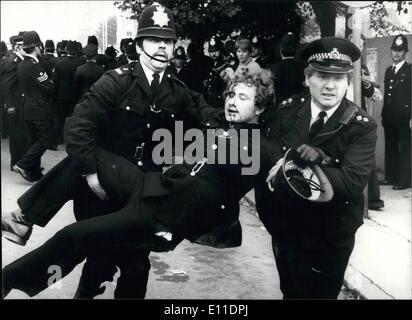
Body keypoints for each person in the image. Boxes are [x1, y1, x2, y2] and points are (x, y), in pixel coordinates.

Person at [2, 3, 239, 299]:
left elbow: (208, 115)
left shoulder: (177, 91)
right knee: (96, 259)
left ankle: (22, 224)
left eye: (167, 42)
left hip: (144, 194)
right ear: (140, 45)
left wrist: (239, 110)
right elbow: (77, 128)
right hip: (101, 191)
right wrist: (90, 173)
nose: (163, 48)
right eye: (155, 40)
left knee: (136, 266)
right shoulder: (116, 81)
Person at [2, 70, 281, 299]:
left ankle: (8, 281)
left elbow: (286, 168)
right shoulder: (223, 124)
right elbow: (197, 103)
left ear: (260, 106)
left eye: (243, 97)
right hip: (154, 187)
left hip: (161, 216)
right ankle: (24, 218)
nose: (232, 101)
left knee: (75, 235)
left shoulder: (261, 147)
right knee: (86, 159)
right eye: (231, 94)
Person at [255, 37, 377, 299]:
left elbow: (352, 183)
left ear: (347, 82)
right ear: (307, 78)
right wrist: (274, 222)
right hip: (288, 232)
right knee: (291, 293)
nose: (330, 85)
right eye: (322, 76)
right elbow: (267, 167)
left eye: (339, 78)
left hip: (331, 236)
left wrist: (319, 160)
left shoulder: (361, 125)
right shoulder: (286, 112)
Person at [12, 31, 54, 182]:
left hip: (27, 108)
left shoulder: (22, 64)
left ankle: (34, 172)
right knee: (45, 140)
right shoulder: (34, 66)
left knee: (32, 140)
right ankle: (23, 165)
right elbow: (49, 87)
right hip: (39, 109)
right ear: (37, 46)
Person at [380, 34, 411, 190]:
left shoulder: (410, 70)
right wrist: (383, 114)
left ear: (405, 52)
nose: (396, 53)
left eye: (400, 50)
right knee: (390, 147)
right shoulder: (388, 71)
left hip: (405, 118)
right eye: (394, 50)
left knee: (405, 149)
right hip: (389, 117)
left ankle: (404, 181)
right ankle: (391, 177)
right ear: (391, 51)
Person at [1, 33, 28, 170]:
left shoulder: (21, 61)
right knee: (16, 135)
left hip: (20, 103)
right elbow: (7, 86)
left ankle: (21, 162)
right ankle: (15, 163)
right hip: (15, 104)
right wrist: (10, 106)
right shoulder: (14, 62)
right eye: (23, 46)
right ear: (17, 47)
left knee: (21, 134)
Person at [268, 32, 306, 107]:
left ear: (280, 50)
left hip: (280, 109)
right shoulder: (303, 68)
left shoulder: (273, 68)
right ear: (296, 51)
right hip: (299, 108)